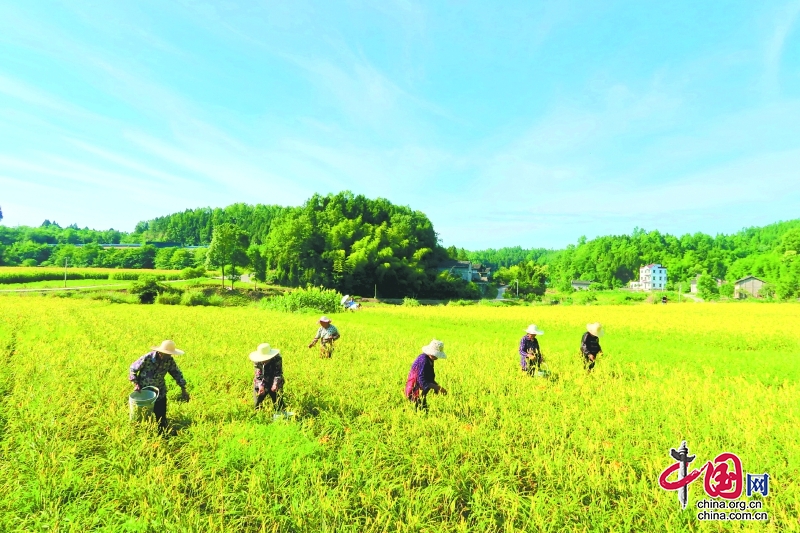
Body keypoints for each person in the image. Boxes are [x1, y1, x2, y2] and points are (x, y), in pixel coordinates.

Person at [129, 340, 190, 433]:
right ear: (159, 352)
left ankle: (162, 432)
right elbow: (133, 369)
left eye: (170, 354)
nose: (168, 356)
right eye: (166, 354)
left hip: (159, 391)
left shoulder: (169, 361)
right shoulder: (147, 358)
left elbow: (176, 373)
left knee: (161, 415)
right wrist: (136, 383)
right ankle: (142, 432)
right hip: (144, 391)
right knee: (143, 416)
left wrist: (183, 389)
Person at [405, 340, 448, 411]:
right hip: (415, 388)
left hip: (421, 389)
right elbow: (421, 379)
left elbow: (429, 376)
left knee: (423, 407)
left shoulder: (430, 360)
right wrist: (438, 388)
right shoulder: (423, 360)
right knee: (417, 408)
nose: (436, 357)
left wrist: (435, 386)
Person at [250, 342, 285, 413]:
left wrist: (275, 384)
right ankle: (257, 415)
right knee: (257, 402)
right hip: (261, 380)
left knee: (278, 401)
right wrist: (261, 386)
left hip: (274, 379)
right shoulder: (257, 360)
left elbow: (278, 373)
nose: (264, 361)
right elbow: (258, 375)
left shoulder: (277, 358)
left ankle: (280, 415)